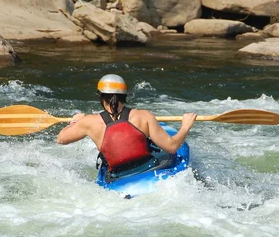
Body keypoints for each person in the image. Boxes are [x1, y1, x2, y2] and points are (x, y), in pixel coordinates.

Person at [57, 74, 197, 175]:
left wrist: (75, 121)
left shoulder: (89, 122)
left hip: (118, 175)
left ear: (101, 96)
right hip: (147, 169)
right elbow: (172, 147)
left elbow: (61, 139)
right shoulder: (143, 116)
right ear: (124, 96)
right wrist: (186, 126)